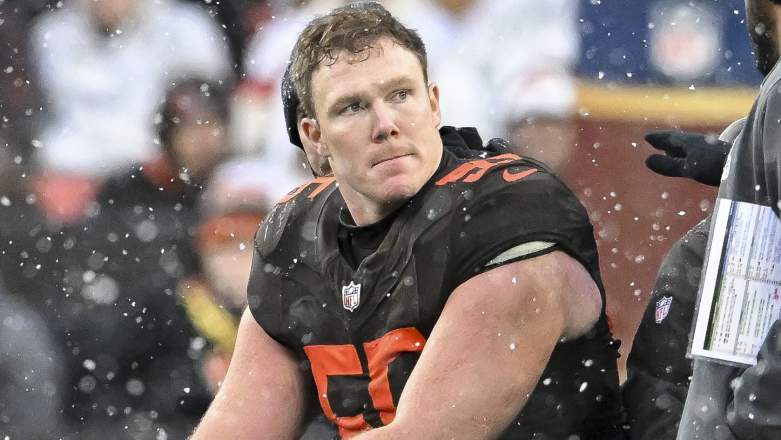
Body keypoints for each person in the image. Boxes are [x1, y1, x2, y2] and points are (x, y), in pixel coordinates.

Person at [193, 3, 625, 439]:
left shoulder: (505, 209)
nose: (386, 125)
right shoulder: (295, 232)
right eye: (352, 107)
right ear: (314, 136)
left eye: (400, 94)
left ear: (433, 104)